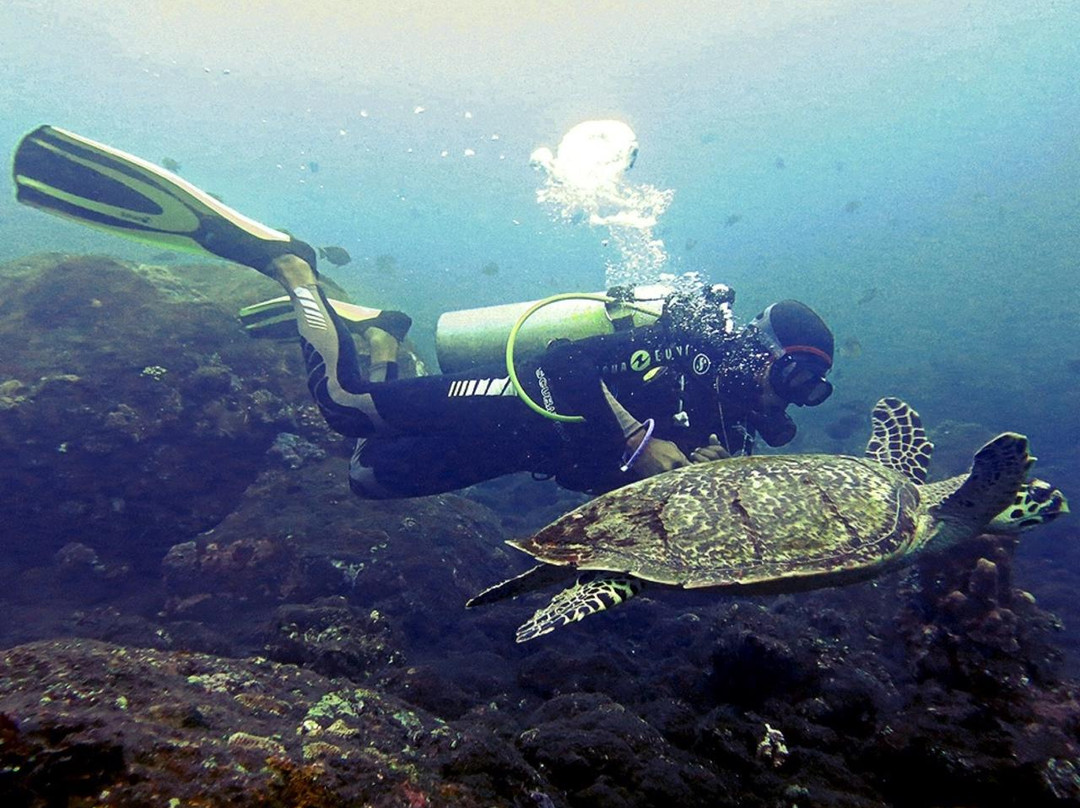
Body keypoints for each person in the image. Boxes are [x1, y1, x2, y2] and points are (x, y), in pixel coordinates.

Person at [13, 125, 835, 499]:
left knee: (369, 479)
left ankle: (378, 335)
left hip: (519, 448)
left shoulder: (727, 418)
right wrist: (641, 438)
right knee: (343, 409)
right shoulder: (688, 344)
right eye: (796, 372)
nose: (794, 396)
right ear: (760, 347)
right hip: (520, 399)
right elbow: (564, 367)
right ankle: (285, 259)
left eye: (814, 390)